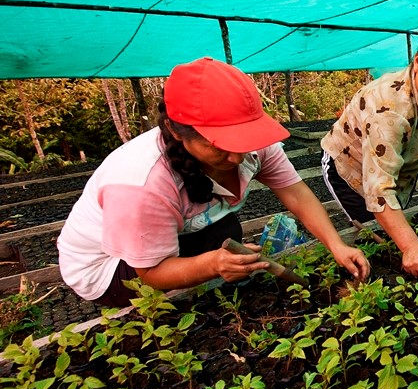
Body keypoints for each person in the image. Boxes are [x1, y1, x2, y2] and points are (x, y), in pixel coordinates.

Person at [58, 57, 370, 308]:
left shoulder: (253, 143)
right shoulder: (141, 182)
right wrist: (211, 265)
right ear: (176, 131)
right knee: (212, 261)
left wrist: (336, 245)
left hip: (171, 236)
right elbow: (150, 271)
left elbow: (296, 193)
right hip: (110, 268)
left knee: (225, 231)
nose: (236, 157)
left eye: (242, 139)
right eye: (219, 145)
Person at [320, 27, 418, 279]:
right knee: (376, 239)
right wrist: (410, 246)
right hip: (352, 167)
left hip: (401, 167)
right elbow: (379, 190)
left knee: (396, 231)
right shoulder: (389, 109)